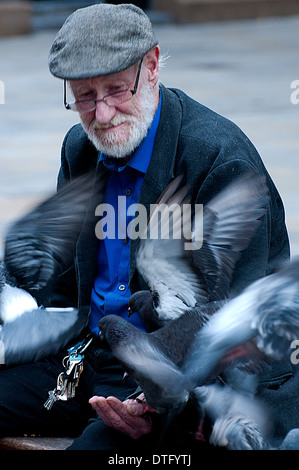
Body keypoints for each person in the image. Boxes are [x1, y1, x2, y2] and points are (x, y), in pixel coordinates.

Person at [0, 3, 297, 451]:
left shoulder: (217, 157)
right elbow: (60, 285)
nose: (101, 115)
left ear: (152, 66)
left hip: (189, 377)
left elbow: (238, 326)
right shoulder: (79, 148)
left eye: (116, 90)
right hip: (88, 357)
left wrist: (154, 404)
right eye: (84, 96)